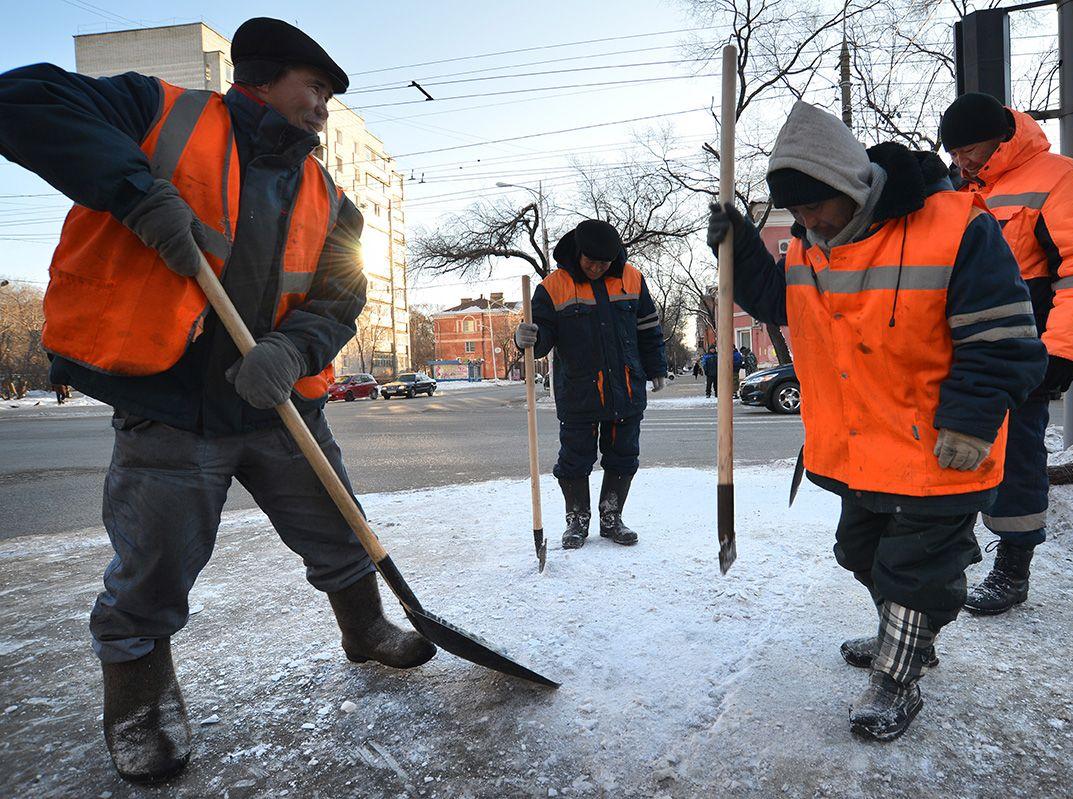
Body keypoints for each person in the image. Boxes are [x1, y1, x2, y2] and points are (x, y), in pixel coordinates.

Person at [0, 17, 435, 783]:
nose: (324, 108)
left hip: (279, 407)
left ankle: (365, 626)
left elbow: (342, 295)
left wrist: (294, 349)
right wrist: (135, 195)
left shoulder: (329, 195)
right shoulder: (158, 115)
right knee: (154, 566)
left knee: (341, 527)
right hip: (172, 406)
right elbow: (22, 98)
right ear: (263, 78)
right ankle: (139, 707)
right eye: (317, 89)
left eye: (332, 97)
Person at [707, 101, 1046, 741]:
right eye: (797, 214)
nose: (809, 223)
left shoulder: (955, 229)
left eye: (816, 208)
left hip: (943, 445)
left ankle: (898, 676)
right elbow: (780, 303)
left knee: (917, 569)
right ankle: (907, 635)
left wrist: (971, 425)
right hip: (864, 447)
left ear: (851, 186)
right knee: (861, 550)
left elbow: (1003, 338)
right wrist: (739, 244)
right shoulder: (811, 247)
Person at [940, 93, 1073, 615]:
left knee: (1016, 453)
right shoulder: (956, 189)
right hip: (955, 347)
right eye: (955, 153)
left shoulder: (1057, 177)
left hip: (1021, 348)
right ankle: (949, 554)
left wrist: (1062, 352)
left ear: (1000, 135)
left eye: (970, 150)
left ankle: (1013, 568)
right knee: (948, 449)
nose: (963, 162)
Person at [514, 219, 668, 550]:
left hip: (625, 388)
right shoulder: (553, 287)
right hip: (579, 390)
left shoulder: (632, 278)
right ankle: (577, 520)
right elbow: (542, 337)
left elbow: (648, 329)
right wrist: (526, 337)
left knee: (624, 456)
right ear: (578, 253)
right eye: (590, 262)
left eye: (604, 263)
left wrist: (656, 368)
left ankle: (611, 518)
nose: (597, 268)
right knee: (574, 459)